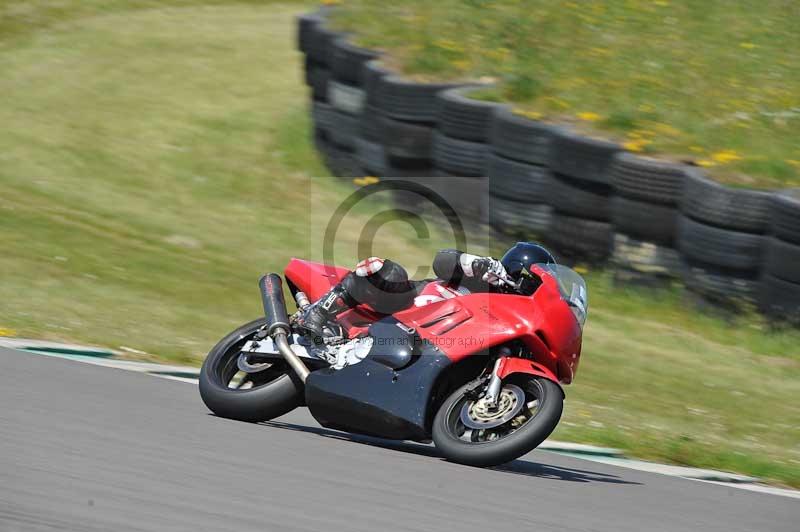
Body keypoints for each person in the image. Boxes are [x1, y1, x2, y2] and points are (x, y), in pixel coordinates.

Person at [295, 242, 556, 343]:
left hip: (427, 346)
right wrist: (477, 264)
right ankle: (317, 313)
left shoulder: (511, 322)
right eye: (531, 283)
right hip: (407, 309)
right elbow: (442, 260)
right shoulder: (481, 278)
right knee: (390, 273)